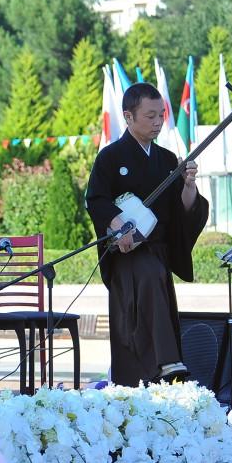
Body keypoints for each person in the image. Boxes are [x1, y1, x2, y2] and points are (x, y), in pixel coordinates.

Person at [85, 82, 209, 386]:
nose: (158, 122)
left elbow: (183, 212)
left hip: (157, 250)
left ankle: (164, 369)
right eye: (150, 116)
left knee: (155, 287)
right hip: (127, 253)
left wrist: (189, 186)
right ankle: (165, 361)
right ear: (128, 116)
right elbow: (96, 199)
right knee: (134, 317)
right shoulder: (111, 157)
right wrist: (116, 224)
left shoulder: (167, 160)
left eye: (161, 115)